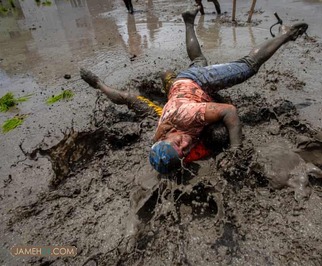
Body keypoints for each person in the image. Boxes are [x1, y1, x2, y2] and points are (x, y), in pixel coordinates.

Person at [81, 8, 308, 175]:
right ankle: (189, 21)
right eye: (182, 151)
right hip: (180, 87)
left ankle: (287, 33)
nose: (185, 144)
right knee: (199, 59)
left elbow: (229, 112)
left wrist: (236, 150)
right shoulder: (163, 139)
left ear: (168, 136)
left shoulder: (186, 117)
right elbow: (130, 101)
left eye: (178, 143)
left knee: (248, 66)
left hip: (197, 82)